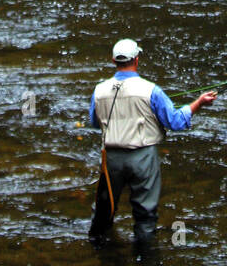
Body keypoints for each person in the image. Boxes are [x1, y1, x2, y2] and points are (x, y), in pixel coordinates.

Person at [88, 38, 217, 248]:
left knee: (105, 209)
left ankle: (100, 250)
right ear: (136, 60)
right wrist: (199, 103)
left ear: (114, 61)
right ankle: (144, 258)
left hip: (110, 159)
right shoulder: (151, 90)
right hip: (143, 157)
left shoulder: (99, 90)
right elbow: (174, 121)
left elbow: (95, 122)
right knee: (145, 214)